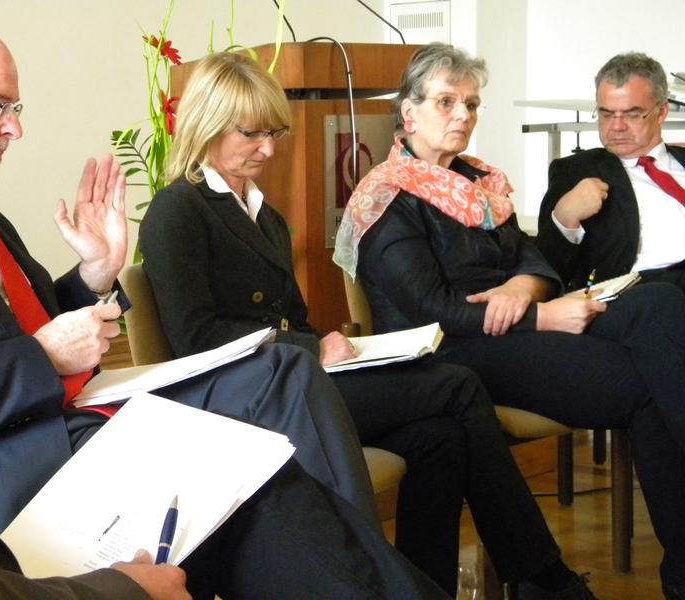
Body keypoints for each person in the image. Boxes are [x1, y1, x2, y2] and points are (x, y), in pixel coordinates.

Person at [0, 17, 382, 536]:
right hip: (17, 461)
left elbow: (22, 327)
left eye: (15, 108)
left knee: (287, 454)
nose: (15, 127)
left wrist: (93, 277)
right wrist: (46, 356)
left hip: (78, 410)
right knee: (278, 443)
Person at [139, 50, 595, 600]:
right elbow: (197, 339)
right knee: (455, 385)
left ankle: (429, 588)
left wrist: (324, 343)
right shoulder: (176, 210)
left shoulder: (266, 215)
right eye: (251, 134)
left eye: (273, 134)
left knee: (442, 437)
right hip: (245, 400)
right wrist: (308, 347)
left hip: (291, 381)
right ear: (208, 123)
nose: (266, 149)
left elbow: (294, 318)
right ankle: (540, 575)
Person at [334, 43, 685, 600]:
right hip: (449, 353)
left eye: (471, 104)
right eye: (446, 102)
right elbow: (435, 311)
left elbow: (534, 258)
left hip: (512, 327)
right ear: (409, 114)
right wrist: (542, 315)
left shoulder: (481, 183)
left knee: (661, 307)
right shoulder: (385, 197)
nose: (462, 116)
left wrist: (523, 289)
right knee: (642, 383)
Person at [0, 438, 449, 600]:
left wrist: (88, 278)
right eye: (251, 137)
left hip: (75, 436)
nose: (15, 139)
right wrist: (121, 591)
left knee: (264, 478)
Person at [537, 52, 685, 291]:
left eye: (632, 114)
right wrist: (564, 218)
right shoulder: (576, 171)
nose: (616, 126)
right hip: (644, 292)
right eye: (606, 114)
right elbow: (546, 269)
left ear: (662, 111)